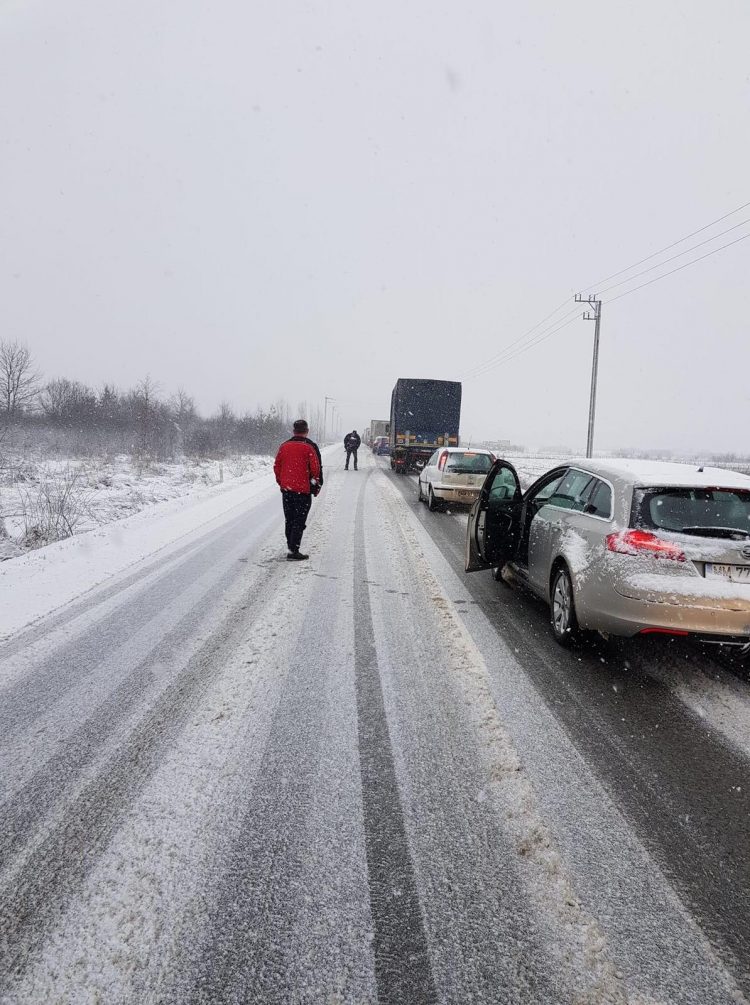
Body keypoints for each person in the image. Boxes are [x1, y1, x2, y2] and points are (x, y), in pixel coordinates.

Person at [273, 419, 323, 560]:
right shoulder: (309, 447)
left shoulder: (284, 446)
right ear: (306, 431)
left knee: (289, 519)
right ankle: (293, 550)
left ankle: (291, 545)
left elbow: (277, 466)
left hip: (287, 490)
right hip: (303, 491)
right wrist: (316, 486)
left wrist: (282, 482)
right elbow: (315, 470)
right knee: (299, 520)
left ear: (293, 431)